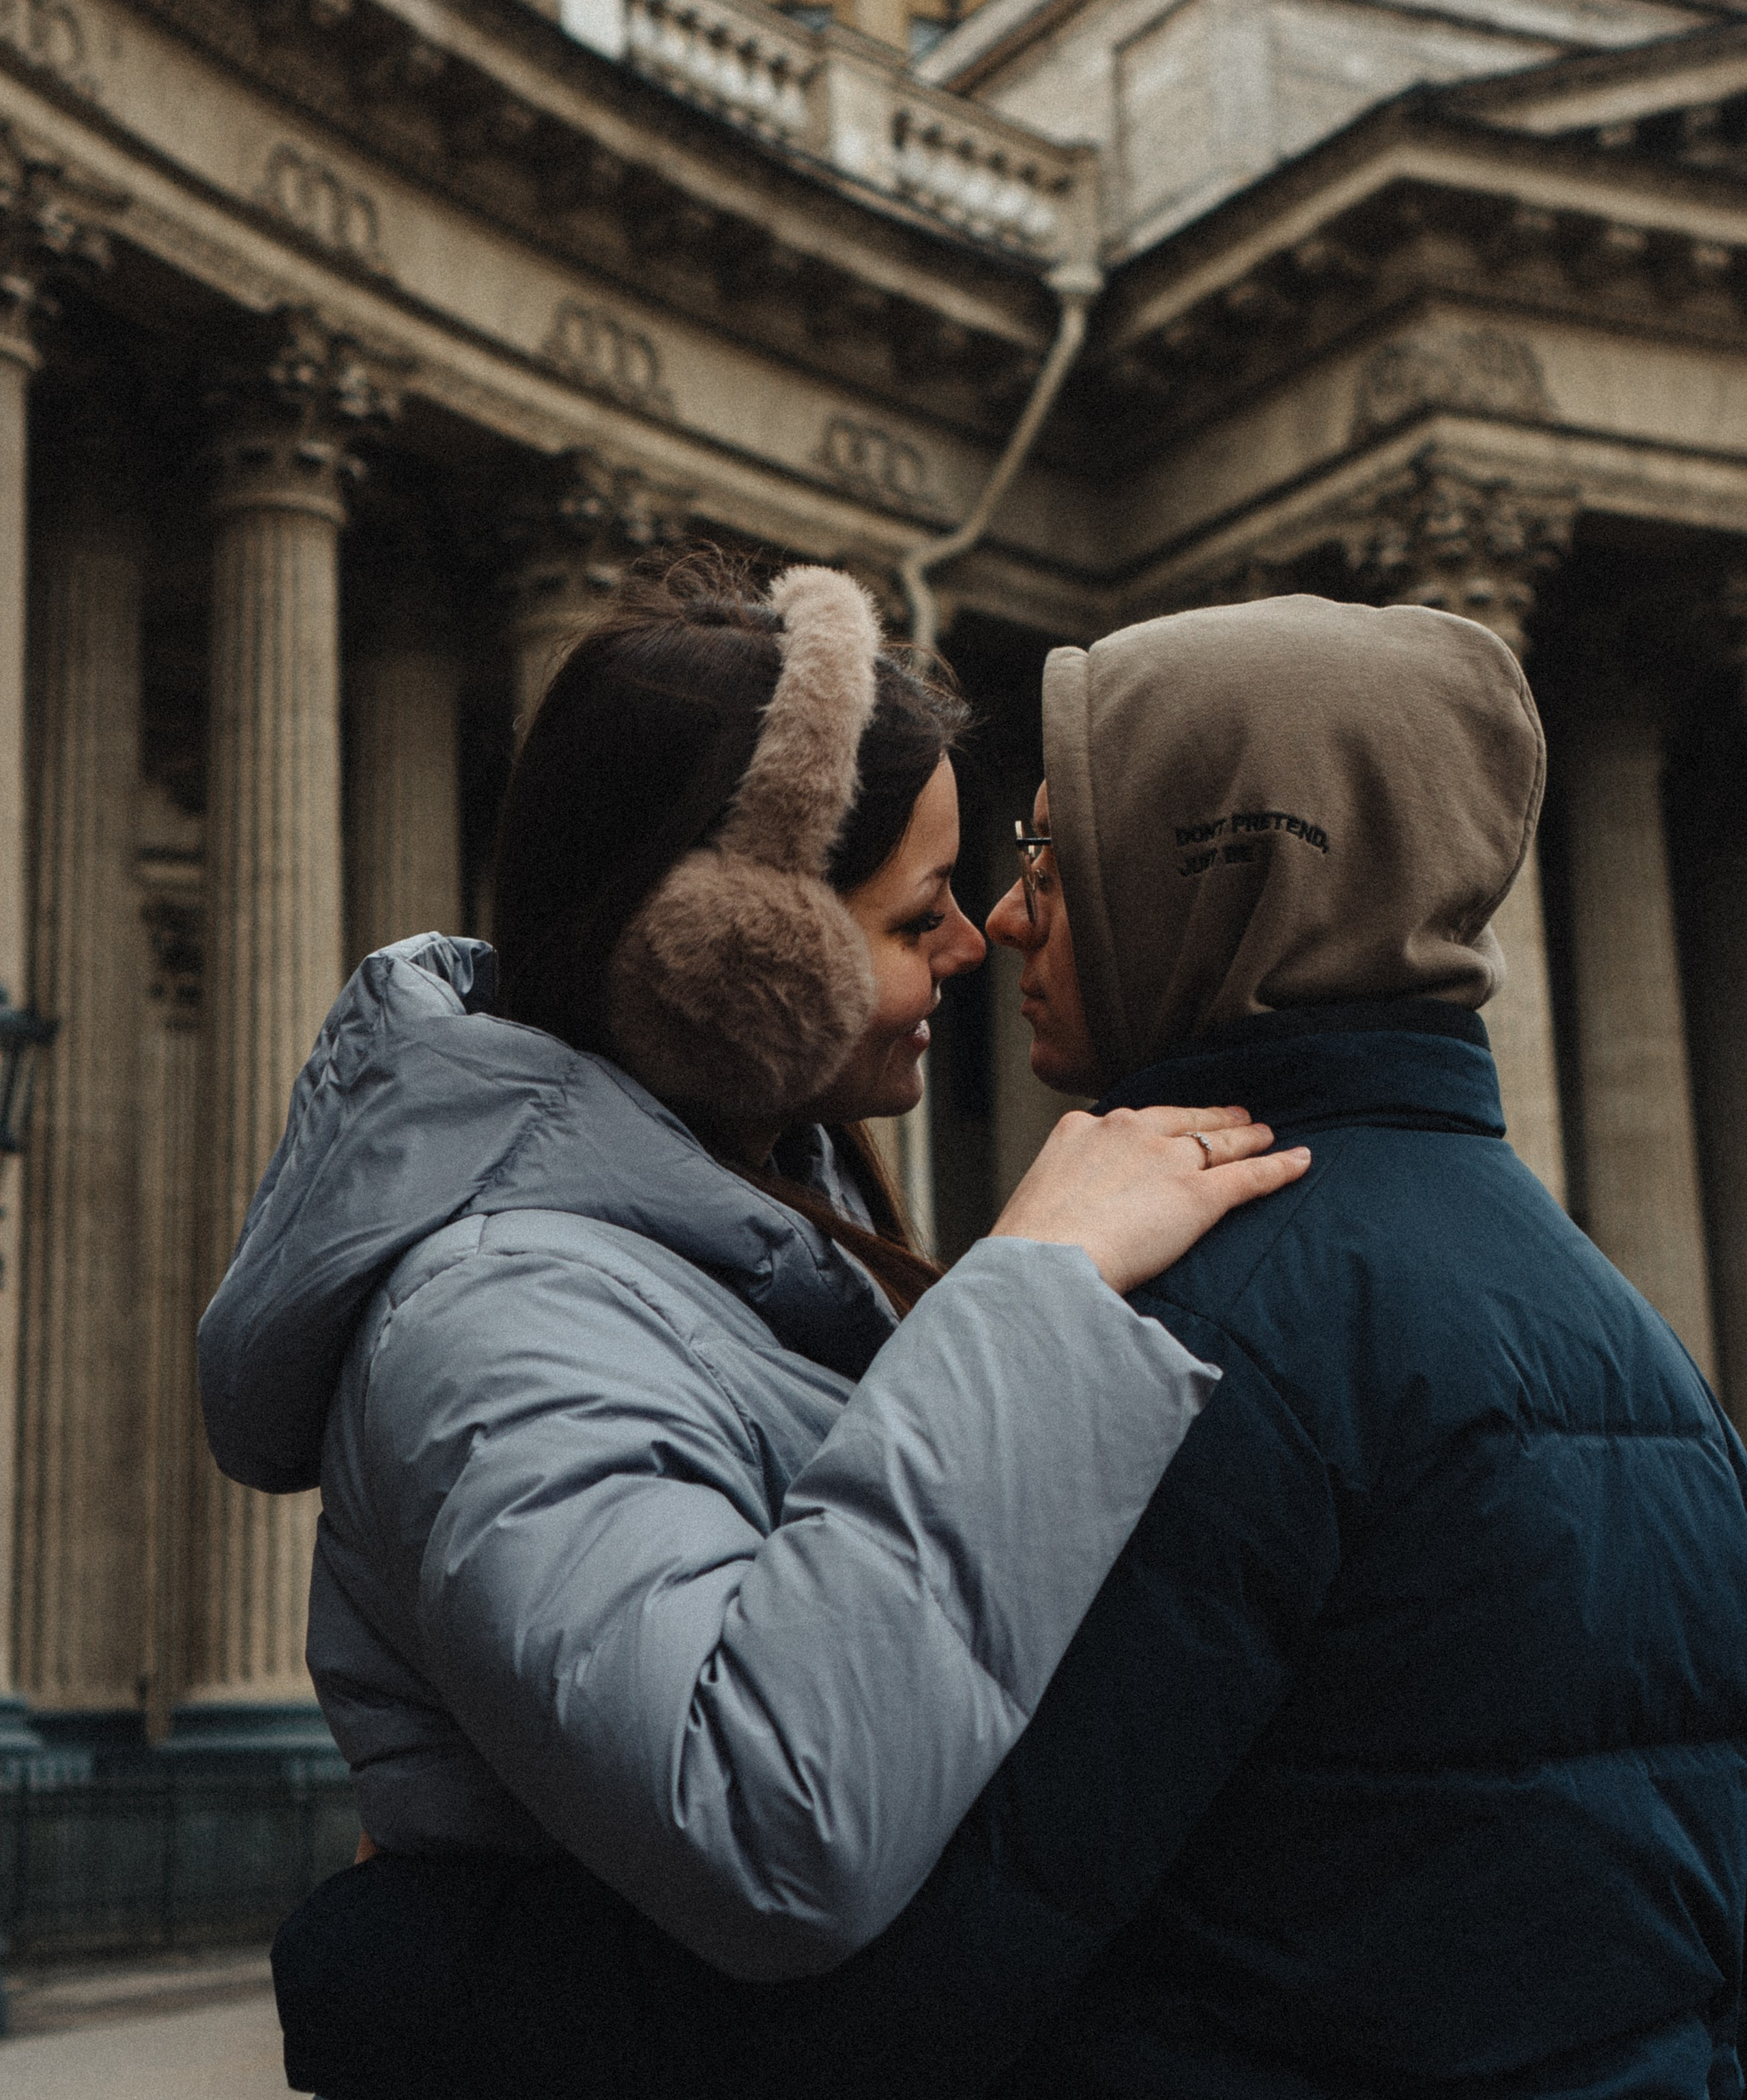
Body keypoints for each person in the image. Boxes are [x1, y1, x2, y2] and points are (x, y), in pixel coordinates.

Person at [276, 586, 1747, 2100]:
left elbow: (907, 1984)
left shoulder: (1188, 1339)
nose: (1002, 923)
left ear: (1205, 884)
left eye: (1051, 854)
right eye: (949, 899)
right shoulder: (1634, 1344)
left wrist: (380, 1962)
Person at [203, 554, 1303, 2093]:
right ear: (737, 955)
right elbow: (767, 1826)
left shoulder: (719, 1246)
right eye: (918, 912)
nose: (970, 947)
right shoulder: (493, 1313)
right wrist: (1028, 1303)